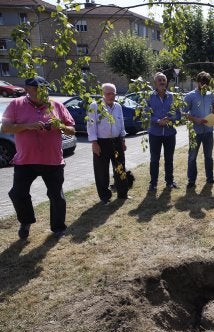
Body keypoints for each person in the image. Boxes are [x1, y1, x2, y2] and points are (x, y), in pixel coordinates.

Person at [2, 76, 76, 239]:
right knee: (17, 193)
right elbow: (5, 128)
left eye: (45, 90)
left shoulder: (56, 105)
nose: (43, 93)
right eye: (38, 90)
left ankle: (58, 228)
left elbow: (72, 129)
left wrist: (61, 126)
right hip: (25, 160)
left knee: (57, 196)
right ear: (28, 89)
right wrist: (27, 126)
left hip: (52, 160)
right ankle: (26, 221)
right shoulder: (16, 105)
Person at [87, 83, 129, 203]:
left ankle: (122, 193)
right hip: (101, 143)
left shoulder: (118, 107)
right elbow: (91, 125)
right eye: (108, 93)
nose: (111, 96)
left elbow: (121, 125)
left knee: (120, 168)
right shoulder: (94, 106)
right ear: (103, 94)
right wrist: (94, 143)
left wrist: (123, 140)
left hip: (116, 141)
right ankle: (105, 197)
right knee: (101, 171)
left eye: (113, 93)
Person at [147, 72, 181, 192]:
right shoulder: (149, 97)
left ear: (166, 82)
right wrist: (157, 120)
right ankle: (153, 183)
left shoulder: (173, 97)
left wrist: (170, 119)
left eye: (163, 80)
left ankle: (170, 181)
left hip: (169, 133)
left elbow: (178, 114)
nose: (162, 82)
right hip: (155, 133)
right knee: (154, 159)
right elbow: (145, 114)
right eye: (159, 80)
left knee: (169, 159)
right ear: (155, 83)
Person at [184, 71, 214, 188]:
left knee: (209, 156)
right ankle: (191, 181)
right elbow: (183, 112)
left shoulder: (210, 95)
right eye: (202, 82)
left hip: (208, 131)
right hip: (195, 131)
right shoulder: (190, 96)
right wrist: (196, 119)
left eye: (207, 83)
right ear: (198, 81)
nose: (204, 85)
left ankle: (210, 178)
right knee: (192, 156)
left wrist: (212, 114)